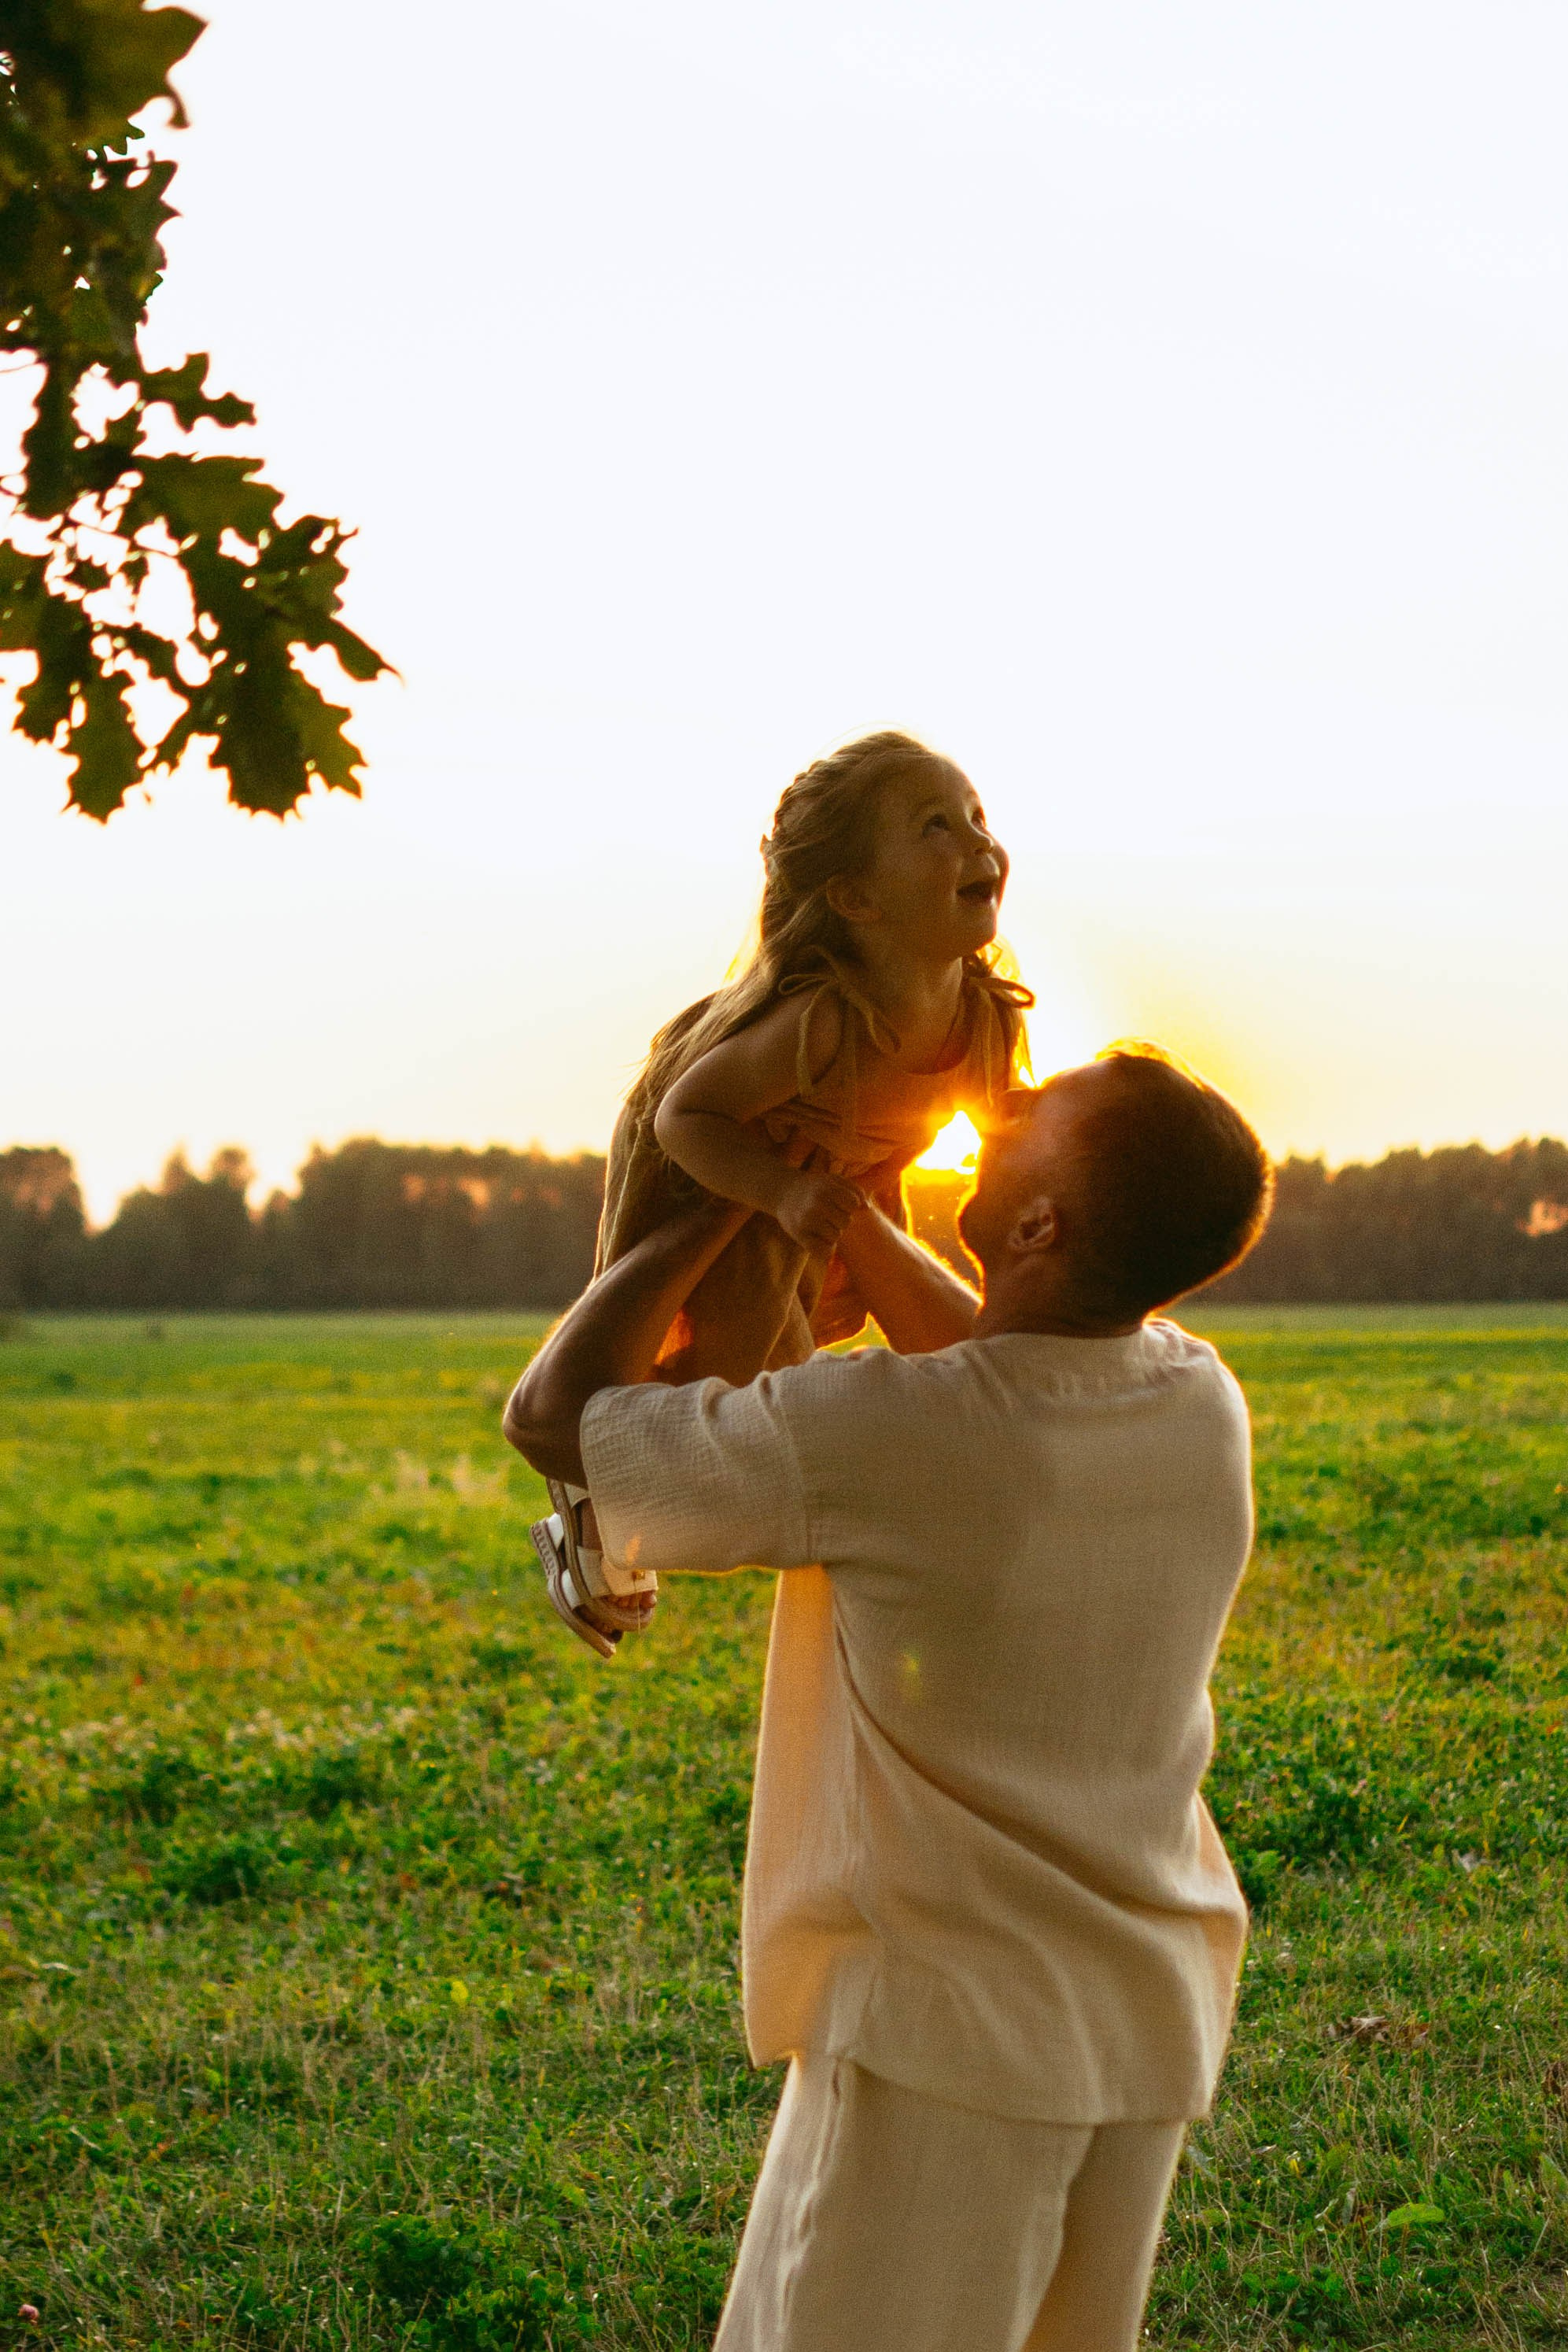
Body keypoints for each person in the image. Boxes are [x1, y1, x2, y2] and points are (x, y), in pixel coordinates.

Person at [502, 1044, 1274, 2352]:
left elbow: (552, 1415)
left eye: (1035, 1114)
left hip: (944, 2046)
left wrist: (716, 1201)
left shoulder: (882, 1430)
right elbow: (997, 1360)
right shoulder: (1194, 1394)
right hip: (1142, 2024)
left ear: (1038, 1223)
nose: (1000, 1107)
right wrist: (838, 1207)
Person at [533, 729, 1032, 1659]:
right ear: (855, 898)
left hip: (825, 1188)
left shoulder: (984, 1018)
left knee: (792, 1375)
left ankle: (618, 1487)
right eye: (935, 826)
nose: (977, 843)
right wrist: (779, 1190)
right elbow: (685, 1116)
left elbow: (1001, 1152)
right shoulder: (823, 1022)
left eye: (976, 817)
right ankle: (592, 1499)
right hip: (722, 1165)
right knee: (733, 1378)